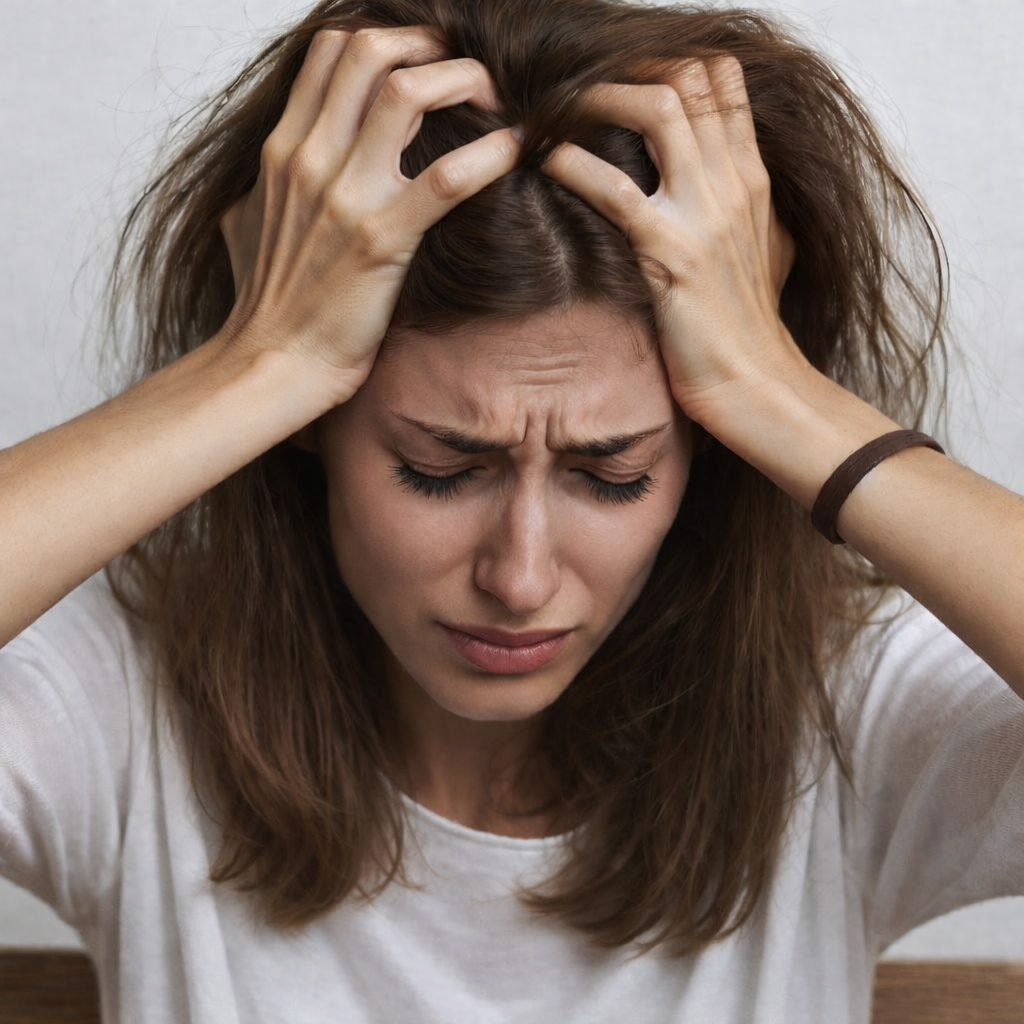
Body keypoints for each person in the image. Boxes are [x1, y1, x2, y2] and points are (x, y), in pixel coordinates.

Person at [1, 0, 1022, 1020]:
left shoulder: (852, 712)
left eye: (612, 474)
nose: (521, 576)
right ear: (307, 422)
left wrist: (781, 391)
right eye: (438, 469)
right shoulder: (122, 705)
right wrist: (257, 361)